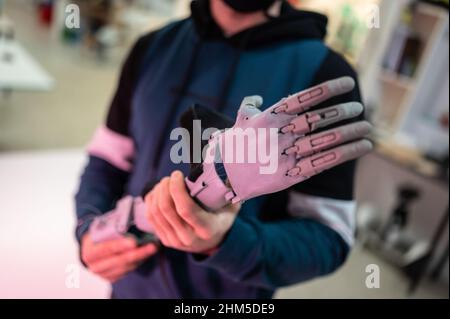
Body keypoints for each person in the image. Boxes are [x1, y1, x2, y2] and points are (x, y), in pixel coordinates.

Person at [75, 0, 366, 298]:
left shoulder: (324, 74)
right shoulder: (152, 47)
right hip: (130, 289)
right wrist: (88, 228)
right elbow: (107, 159)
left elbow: (329, 239)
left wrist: (227, 240)